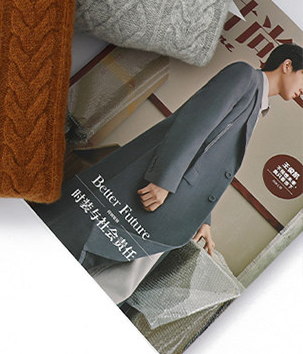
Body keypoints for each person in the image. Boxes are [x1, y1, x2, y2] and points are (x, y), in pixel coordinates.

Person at [30, 45, 303, 304]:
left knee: (116, 279)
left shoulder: (259, 104)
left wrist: (203, 218)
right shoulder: (245, 75)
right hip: (160, 193)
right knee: (94, 255)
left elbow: (213, 163)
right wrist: (163, 181)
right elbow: (195, 125)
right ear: (287, 65)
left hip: (175, 206)